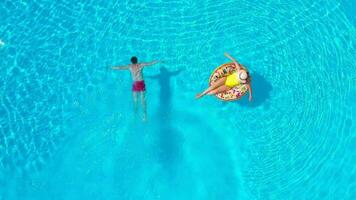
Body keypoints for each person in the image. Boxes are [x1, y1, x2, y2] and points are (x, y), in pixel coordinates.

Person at [112, 56, 160, 121]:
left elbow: (119, 68)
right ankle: (145, 116)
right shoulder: (141, 65)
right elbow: (150, 63)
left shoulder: (129, 66)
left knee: (135, 100)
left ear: (131, 61)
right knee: (142, 100)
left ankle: (135, 114)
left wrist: (111, 67)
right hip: (141, 83)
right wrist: (158, 61)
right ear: (137, 60)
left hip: (135, 84)